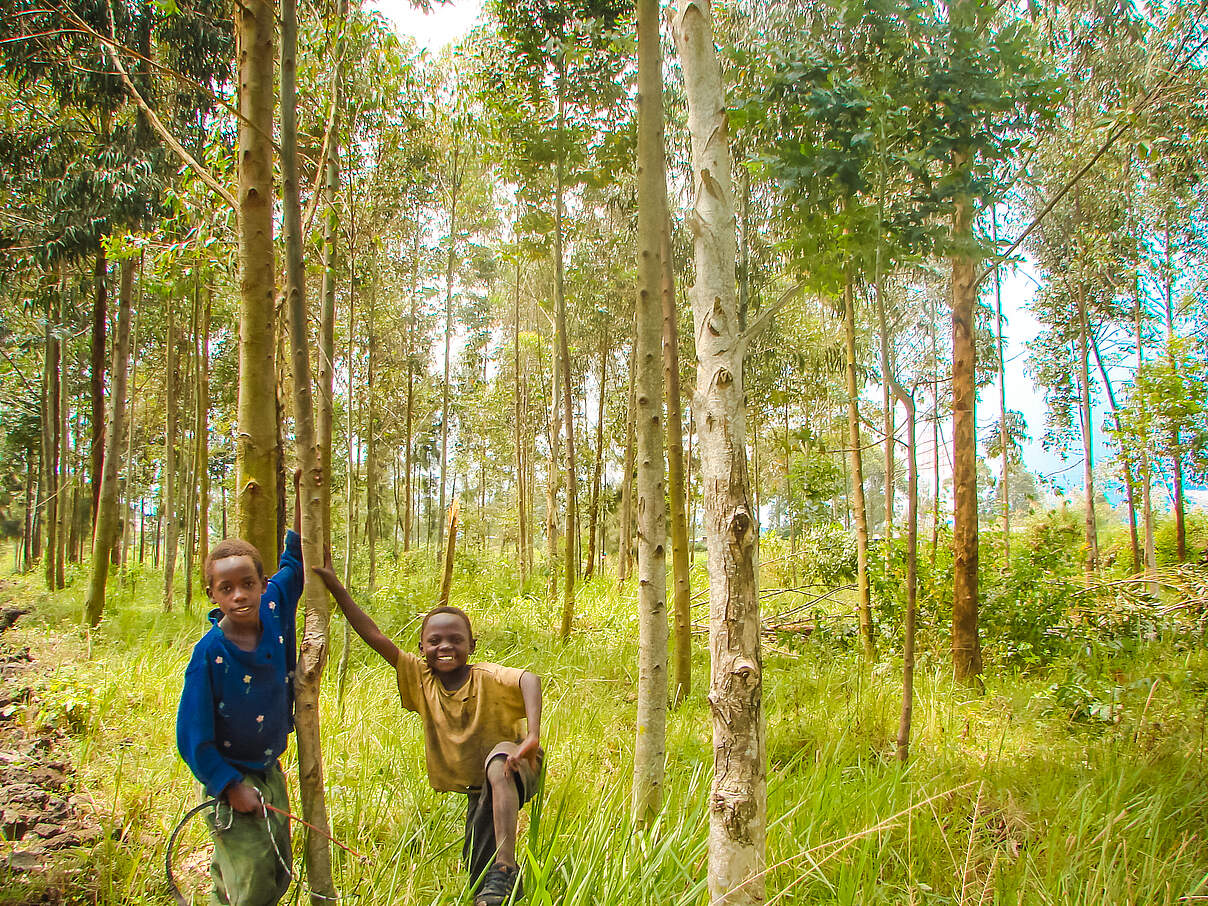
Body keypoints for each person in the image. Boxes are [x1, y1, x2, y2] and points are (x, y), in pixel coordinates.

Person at [312, 566, 542, 906]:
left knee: (498, 766)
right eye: (434, 641)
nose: (444, 646)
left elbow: (529, 680)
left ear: (472, 645)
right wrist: (334, 586)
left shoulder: (487, 676)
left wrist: (532, 736)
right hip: (477, 785)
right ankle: (503, 886)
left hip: (517, 764)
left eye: (455, 640)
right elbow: (373, 635)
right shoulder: (421, 679)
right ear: (421, 647)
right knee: (478, 864)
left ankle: (507, 867)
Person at [177, 472, 304, 906]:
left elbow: (296, 561)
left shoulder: (274, 606)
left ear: (262, 585)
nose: (239, 595)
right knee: (253, 879)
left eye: (247, 584)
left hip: (270, 769)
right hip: (229, 775)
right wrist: (230, 787)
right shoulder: (209, 655)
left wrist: (303, 492)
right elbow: (192, 736)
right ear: (213, 595)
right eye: (226, 588)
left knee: (275, 866)